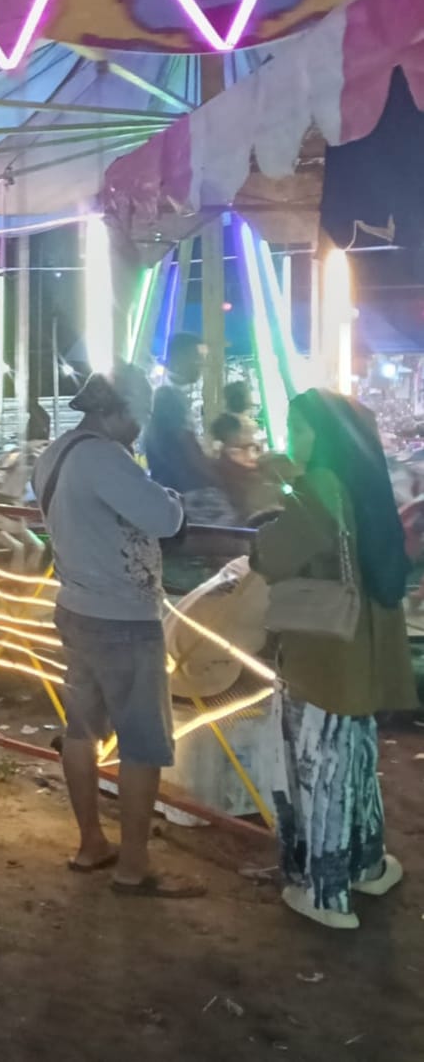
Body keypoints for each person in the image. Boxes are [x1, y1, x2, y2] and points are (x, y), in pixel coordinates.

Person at [31, 363, 204, 899]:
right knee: (142, 743)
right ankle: (133, 865)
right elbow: (165, 518)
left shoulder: (56, 453)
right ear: (117, 410)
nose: (141, 425)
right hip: (122, 617)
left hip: (76, 607)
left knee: (81, 731)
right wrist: (172, 498)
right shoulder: (104, 459)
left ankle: (91, 843)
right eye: (140, 414)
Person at [251, 390, 416, 929]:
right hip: (363, 652)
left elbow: (273, 553)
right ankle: (368, 866)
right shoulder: (365, 482)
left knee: (318, 771)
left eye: (300, 429)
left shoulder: (319, 486)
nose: (292, 439)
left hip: (326, 659)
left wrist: (279, 490)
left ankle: (324, 895)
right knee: (355, 767)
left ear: (326, 437)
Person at [143, 333, 232, 523]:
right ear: (180, 359)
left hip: (175, 490)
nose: (201, 365)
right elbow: (187, 445)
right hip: (186, 493)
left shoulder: (166, 395)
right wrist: (217, 478)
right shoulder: (169, 397)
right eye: (196, 358)